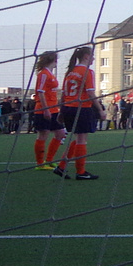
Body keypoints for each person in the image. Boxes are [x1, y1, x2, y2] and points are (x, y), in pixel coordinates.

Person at [53, 46, 104, 180]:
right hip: (81, 108)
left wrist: (61, 111)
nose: (93, 58)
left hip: (68, 107)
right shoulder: (87, 72)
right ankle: (80, 172)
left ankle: (61, 166)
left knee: (77, 138)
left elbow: (63, 94)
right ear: (86, 56)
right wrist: (100, 109)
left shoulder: (70, 72)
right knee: (82, 139)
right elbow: (91, 93)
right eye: (92, 56)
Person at [30, 51, 66, 170]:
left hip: (53, 109)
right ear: (52, 60)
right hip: (43, 110)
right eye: (56, 59)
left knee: (60, 133)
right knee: (43, 135)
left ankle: (49, 160)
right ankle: (40, 163)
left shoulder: (50, 73)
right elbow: (40, 92)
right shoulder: (43, 74)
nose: (57, 62)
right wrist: (46, 109)